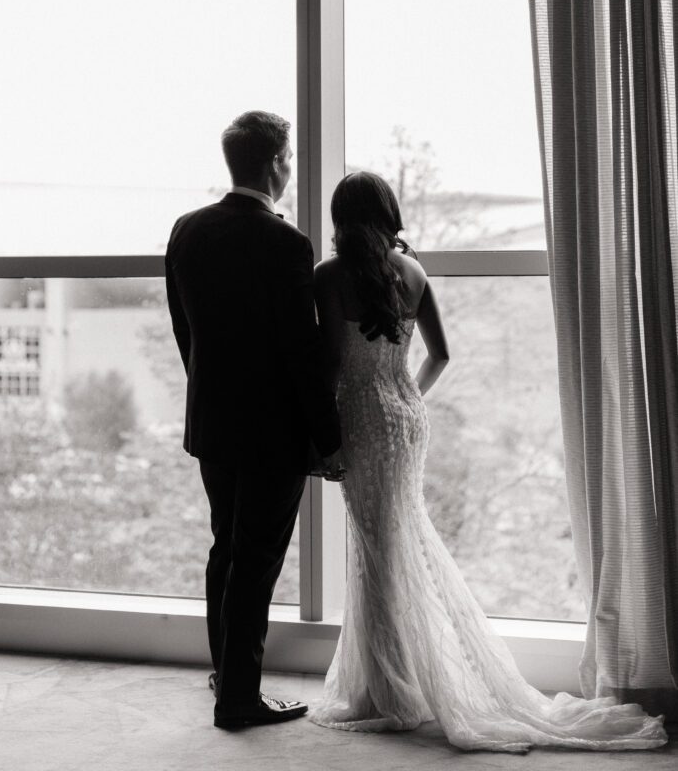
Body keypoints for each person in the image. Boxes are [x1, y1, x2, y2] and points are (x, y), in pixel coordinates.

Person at [307, 170, 667, 753]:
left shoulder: (328, 276)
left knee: (377, 550)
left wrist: (323, 434)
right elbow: (440, 355)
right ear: (388, 213)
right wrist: (404, 399)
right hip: (406, 418)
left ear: (340, 218)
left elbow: (328, 366)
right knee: (395, 543)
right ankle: (398, 680)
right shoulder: (413, 272)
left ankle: (389, 692)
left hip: (363, 420)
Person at [165, 110, 342, 730]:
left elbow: (185, 330)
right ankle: (238, 699)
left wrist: (208, 393)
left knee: (226, 549)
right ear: (276, 163)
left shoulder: (187, 229)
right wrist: (329, 437)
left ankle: (227, 675)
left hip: (213, 422)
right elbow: (301, 350)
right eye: (290, 158)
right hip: (273, 431)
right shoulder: (285, 242)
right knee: (256, 561)